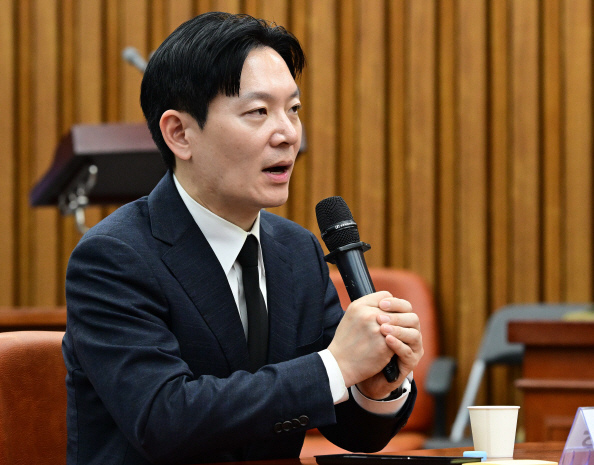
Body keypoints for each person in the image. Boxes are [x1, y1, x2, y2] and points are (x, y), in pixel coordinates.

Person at [62, 12, 423, 465]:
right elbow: (163, 418)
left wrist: (377, 384)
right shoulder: (114, 257)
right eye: (258, 112)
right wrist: (336, 365)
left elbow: (355, 432)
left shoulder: (296, 250)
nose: (288, 134)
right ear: (180, 133)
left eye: (293, 109)